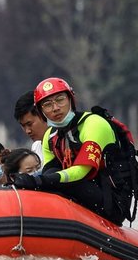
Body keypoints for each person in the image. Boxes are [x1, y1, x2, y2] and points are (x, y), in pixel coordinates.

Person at [11, 77, 125, 225]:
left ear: (71, 100)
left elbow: (81, 171)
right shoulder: (50, 136)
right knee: (48, 180)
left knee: (54, 181)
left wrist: (38, 180)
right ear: (41, 111)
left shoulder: (94, 124)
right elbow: (49, 172)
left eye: (60, 100)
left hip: (111, 202)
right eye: (47, 105)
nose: (55, 108)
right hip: (80, 194)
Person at [13, 90, 48, 167]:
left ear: (44, 115)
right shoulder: (36, 147)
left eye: (29, 124)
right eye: (23, 126)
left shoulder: (63, 143)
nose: (27, 131)